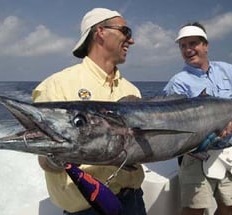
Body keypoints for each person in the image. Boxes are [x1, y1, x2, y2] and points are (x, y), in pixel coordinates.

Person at [32, 8, 147, 215]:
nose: (131, 41)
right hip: (88, 208)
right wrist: (58, 155)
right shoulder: (56, 86)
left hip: (134, 201)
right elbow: (44, 159)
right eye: (126, 32)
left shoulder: (132, 91)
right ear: (100, 32)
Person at [163, 22, 232, 215]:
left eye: (193, 43)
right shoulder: (178, 83)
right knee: (194, 210)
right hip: (197, 157)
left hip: (229, 153)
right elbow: (176, 127)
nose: (188, 49)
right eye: (183, 46)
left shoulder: (226, 70)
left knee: (231, 207)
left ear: (206, 45)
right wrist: (212, 132)